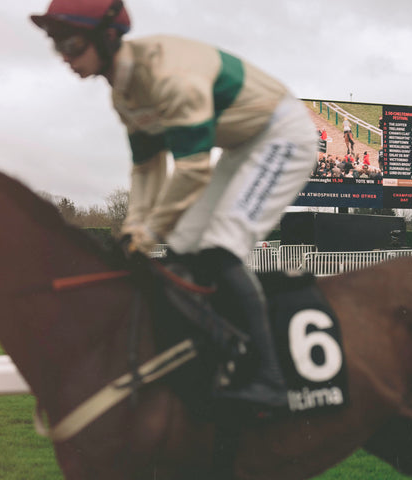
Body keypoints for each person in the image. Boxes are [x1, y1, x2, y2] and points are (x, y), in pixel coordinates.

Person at [30, 0, 318, 408]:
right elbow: (148, 170)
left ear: (108, 37)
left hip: (282, 135)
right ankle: (214, 350)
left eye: (73, 44)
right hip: (240, 145)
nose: (65, 58)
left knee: (220, 246)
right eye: (58, 47)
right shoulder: (123, 96)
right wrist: (134, 229)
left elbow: (191, 170)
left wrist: (149, 232)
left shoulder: (169, 78)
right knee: (181, 246)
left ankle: (271, 377)